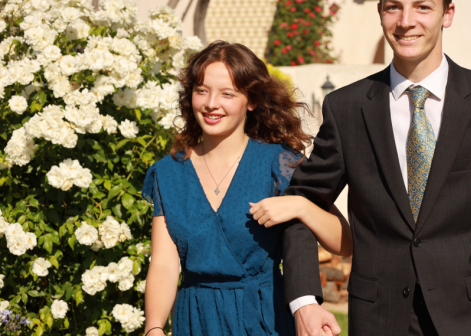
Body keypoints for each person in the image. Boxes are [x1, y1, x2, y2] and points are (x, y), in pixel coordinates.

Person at [281, 0, 471, 335]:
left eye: (422, 7)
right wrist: (304, 301)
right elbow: (301, 202)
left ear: (447, 14)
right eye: (393, 7)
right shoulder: (346, 108)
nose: (406, 21)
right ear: (379, 12)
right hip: (380, 320)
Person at [141, 41, 352, 336]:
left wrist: (302, 207)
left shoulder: (280, 164)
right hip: (196, 320)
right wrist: (154, 327)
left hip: (266, 318)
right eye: (201, 90)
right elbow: (164, 264)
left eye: (227, 94)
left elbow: (344, 243)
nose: (211, 103)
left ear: (251, 101)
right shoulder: (168, 172)